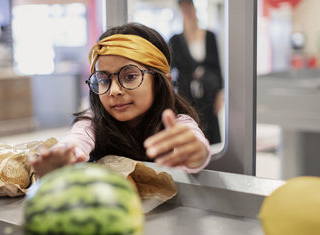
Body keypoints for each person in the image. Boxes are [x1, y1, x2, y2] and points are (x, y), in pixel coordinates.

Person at [30, 22, 211, 177]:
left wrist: (196, 154)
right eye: (103, 79)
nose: (114, 91)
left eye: (130, 76)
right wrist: (63, 156)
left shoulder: (178, 123)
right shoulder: (92, 123)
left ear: (161, 81)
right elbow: (75, 141)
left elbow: (195, 147)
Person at [169, 0, 223, 145]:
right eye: (184, 8)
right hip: (186, 92)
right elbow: (170, 67)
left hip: (209, 91)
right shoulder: (175, 40)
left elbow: (217, 66)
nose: (187, 11)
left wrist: (220, 93)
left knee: (211, 130)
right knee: (190, 126)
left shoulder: (209, 36)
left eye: (189, 7)